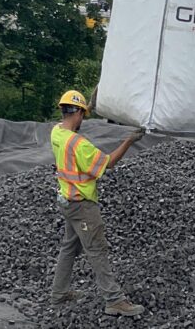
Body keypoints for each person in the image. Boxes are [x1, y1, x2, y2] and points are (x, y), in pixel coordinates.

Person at [49, 88, 145, 317]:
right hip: (82, 205)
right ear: (79, 114)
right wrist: (129, 141)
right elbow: (108, 163)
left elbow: (74, 117)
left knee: (70, 247)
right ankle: (114, 300)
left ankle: (59, 293)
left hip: (66, 201)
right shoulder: (78, 145)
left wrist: (89, 105)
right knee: (97, 249)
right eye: (83, 113)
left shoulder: (56, 132)